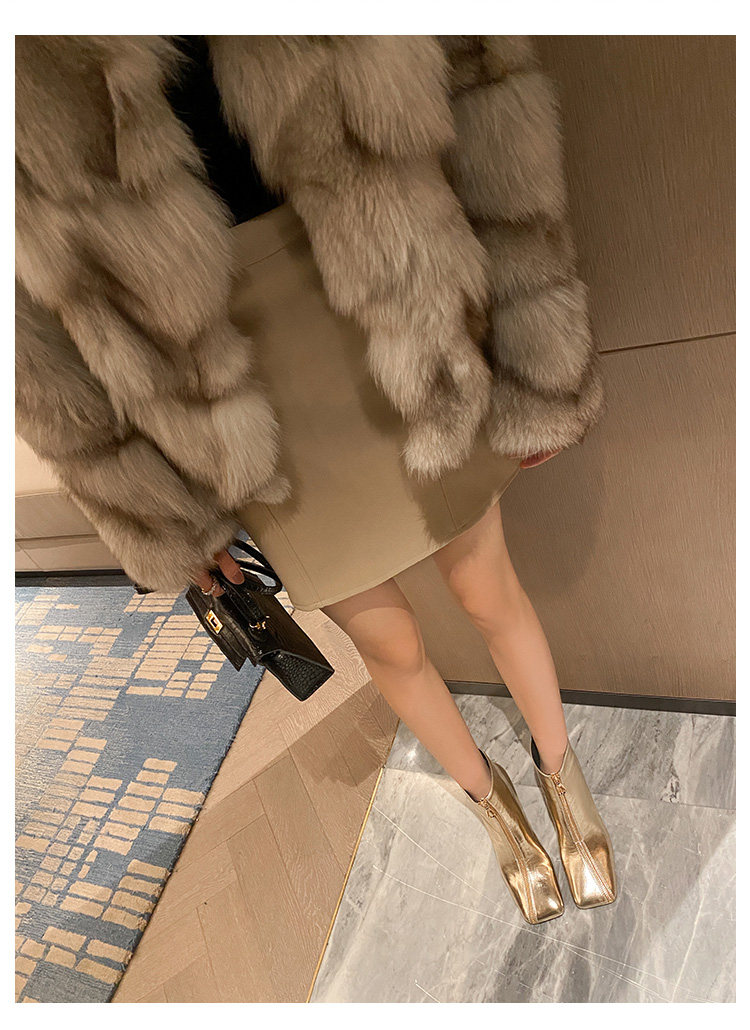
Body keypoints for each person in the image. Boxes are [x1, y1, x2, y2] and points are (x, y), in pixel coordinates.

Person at [15, 35, 615, 925]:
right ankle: (492, 806)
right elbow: (36, 349)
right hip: (230, 388)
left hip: (386, 296)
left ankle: (564, 777)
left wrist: (540, 354)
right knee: (391, 645)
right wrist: (159, 515)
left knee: (488, 589)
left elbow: (485, 84)